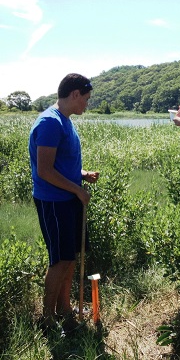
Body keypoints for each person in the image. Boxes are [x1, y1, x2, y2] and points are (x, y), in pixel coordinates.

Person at [29, 73, 100, 333]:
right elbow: (45, 171)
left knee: (70, 258)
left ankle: (64, 309)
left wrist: (82, 175)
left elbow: (61, 164)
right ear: (75, 95)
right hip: (55, 201)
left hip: (68, 198)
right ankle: (46, 319)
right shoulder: (50, 122)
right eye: (87, 99)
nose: (87, 104)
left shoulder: (66, 121)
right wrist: (77, 191)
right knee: (59, 261)